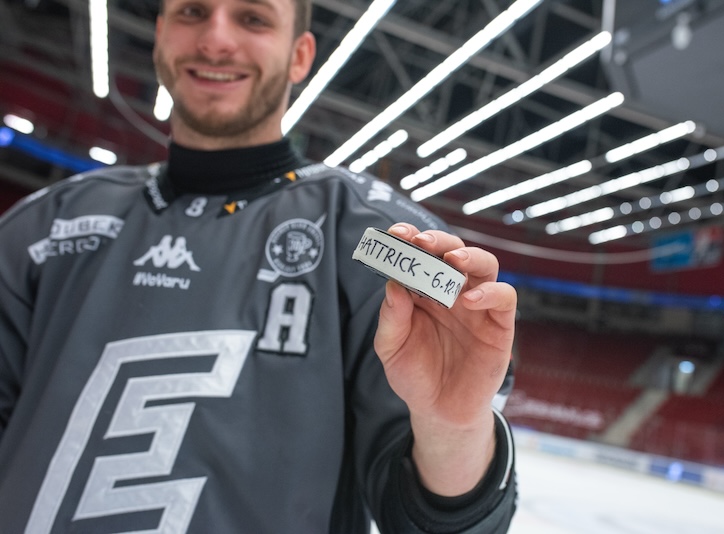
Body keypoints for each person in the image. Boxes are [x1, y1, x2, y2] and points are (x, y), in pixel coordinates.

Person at [0, 0, 518, 531]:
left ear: (300, 56)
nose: (215, 40)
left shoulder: (376, 240)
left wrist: (453, 429)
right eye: (192, 13)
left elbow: (434, 523)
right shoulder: (45, 226)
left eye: (253, 19)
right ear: (160, 35)